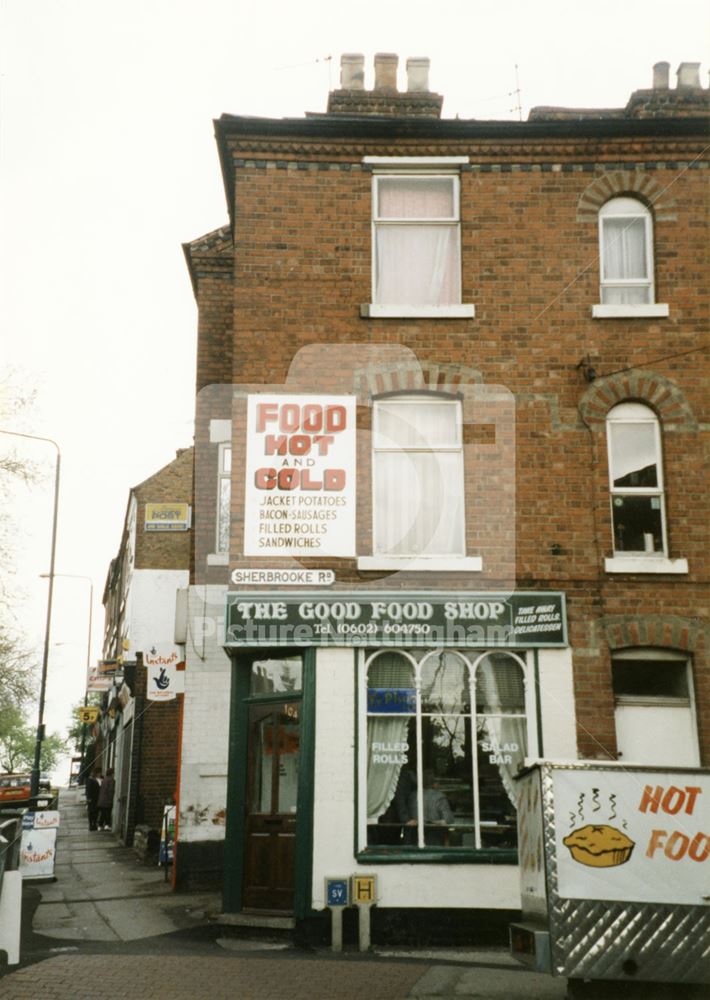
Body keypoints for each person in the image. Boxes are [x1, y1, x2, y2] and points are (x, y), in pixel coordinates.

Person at [405, 770, 454, 845]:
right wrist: (435, 822)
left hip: (414, 839)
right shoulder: (440, 797)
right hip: (434, 838)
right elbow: (449, 819)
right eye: (438, 782)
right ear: (434, 784)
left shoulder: (412, 796)